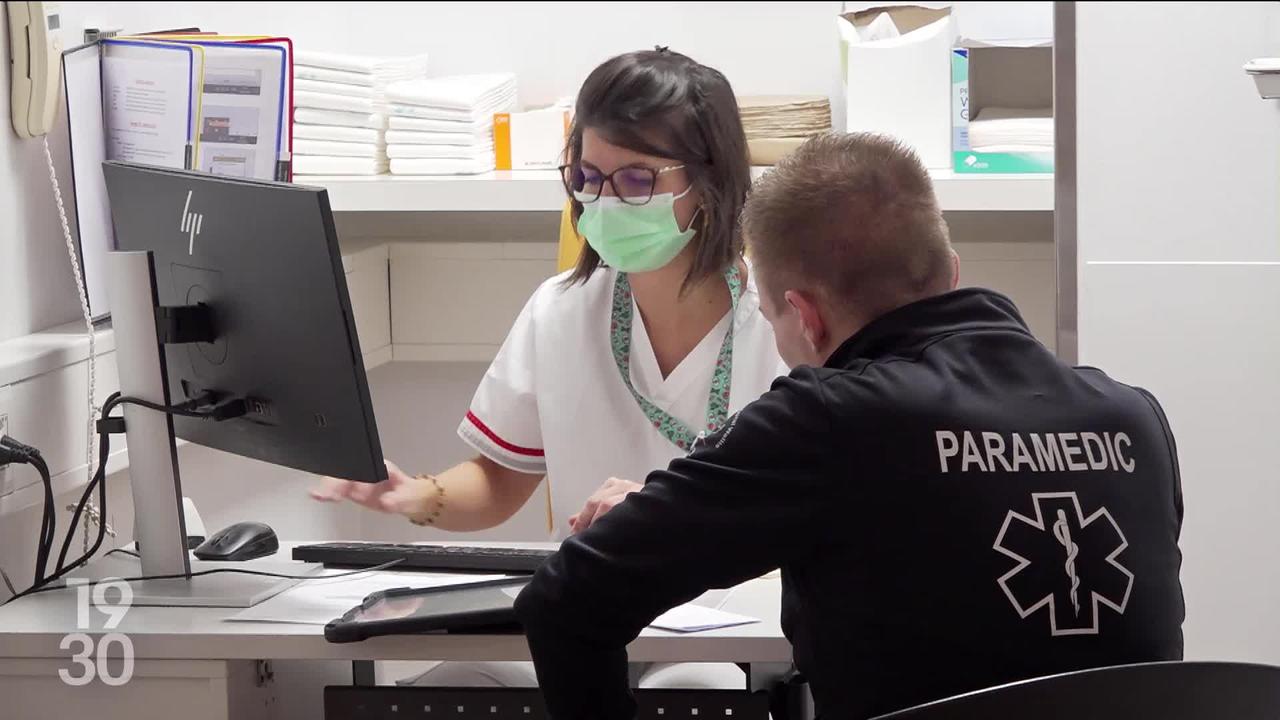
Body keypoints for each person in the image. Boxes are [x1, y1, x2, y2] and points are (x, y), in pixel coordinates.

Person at [515, 132, 1186, 719]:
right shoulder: (1133, 418)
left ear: (804, 317)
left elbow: (566, 601)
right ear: (950, 274)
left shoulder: (827, 420)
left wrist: (664, 513)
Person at [312, 48, 785, 686]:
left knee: (693, 689)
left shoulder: (784, 325)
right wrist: (414, 496)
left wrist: (673, 515)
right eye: (587, 177)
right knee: (453, 686)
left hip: (734, 622)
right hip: (589, 614)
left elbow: (817, 510)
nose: (605, 202)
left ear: (711, 182)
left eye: (637, 180)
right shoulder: (562, 310)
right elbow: (500, 481)